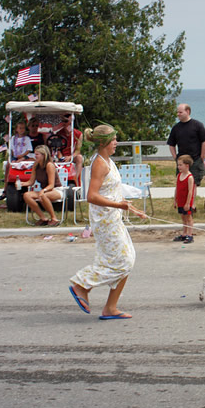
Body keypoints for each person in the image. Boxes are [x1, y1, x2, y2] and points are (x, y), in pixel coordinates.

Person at [69, 124, 146, 320]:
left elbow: (113, 191)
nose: (116, 143)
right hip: (105, 221)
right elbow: (91, 196)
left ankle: (110, 307)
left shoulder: (107, 161)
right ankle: (81, 284)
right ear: (103, 142)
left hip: (113, 218)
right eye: (113, 140)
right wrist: (119, 206)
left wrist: (133, 209)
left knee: (126, 259)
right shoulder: (100, 164)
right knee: (124, 261)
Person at [167, 103, 205, 187]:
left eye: (180, 112)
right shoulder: (176, 128)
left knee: (193, 185)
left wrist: (202, 156)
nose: (178, 114)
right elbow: (171, 144)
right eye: (177, 112)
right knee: (182, 184)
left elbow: (204, 141)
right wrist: (175, 157)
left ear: (188, 111)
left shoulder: (198, 125)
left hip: (195, 160)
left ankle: (191, 200)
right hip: (182, 161)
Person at [21, 145, 64, 227]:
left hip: (56, 189)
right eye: (35, 154)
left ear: (44, 155)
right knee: (27, 195)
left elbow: (51, 185)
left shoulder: (49, 165)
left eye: (37, 154)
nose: (35, 156)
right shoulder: (35, 165)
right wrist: (22, 183)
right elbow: (31, 182)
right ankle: (43, 218)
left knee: (43, 195)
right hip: (45, 190)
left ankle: (54, 218)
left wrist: (43, 190)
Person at [0, 120, 34, 200]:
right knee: (9, 164)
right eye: (20, 128)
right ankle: (7, 183)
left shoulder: (26, 139)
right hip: (15, 156)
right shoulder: (13, 138)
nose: (22, 130)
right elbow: (11, 149)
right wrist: (13, 156)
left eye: (23, 128)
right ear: (16, 129)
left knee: (21, 161)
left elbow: (29, 150)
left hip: (24, 155)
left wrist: (21, 156)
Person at [173, 155, 196, 244]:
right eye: (178, 165)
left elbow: (190, 191)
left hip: (187, 201)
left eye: (180, 165)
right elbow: (177, 188)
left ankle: (190, 235)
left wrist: (188, 203)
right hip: (180, 201)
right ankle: (184, 233)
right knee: (183, 217)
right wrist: (175, 200)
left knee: (188, 217)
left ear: (187, 165)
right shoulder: (179, 175)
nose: (179, 167)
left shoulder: (190, 177)